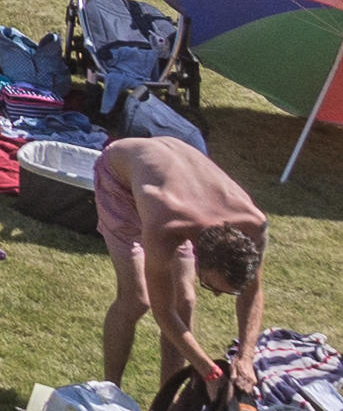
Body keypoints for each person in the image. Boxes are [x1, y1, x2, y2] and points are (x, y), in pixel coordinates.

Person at [86, 132, 273, 389]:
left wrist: (246, 357)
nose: (217, 296)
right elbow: (163, 312)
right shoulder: (164, 225)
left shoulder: (254, 224)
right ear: (198, 257)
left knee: (184, 300)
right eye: (213, 287)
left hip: (181, 186)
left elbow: (253, 292)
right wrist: (210, 372)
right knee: (137, 299)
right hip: (120, 177)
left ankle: (165, 404)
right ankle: (109, 392)